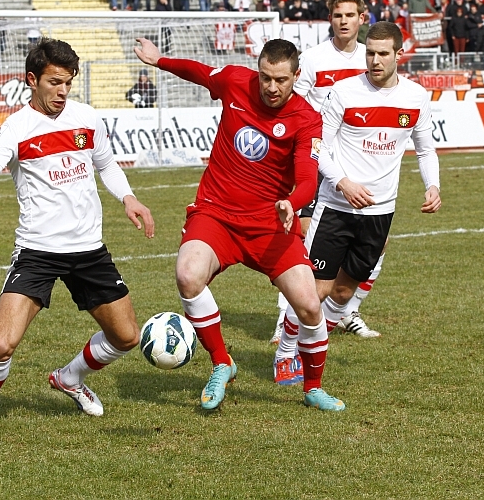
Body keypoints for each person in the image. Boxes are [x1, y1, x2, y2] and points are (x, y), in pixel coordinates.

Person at [0, 39, 155, 439]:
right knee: (2, 344)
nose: (62, 91)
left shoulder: (86, 118)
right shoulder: (16, 128)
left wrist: (128, 197)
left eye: (68, 83)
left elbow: (106, 165)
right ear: (32, 80)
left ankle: (70, 377)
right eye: (54, 82)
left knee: (126, 337)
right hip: (37, 252)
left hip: (89, 250)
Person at [131, 36, 345, 412]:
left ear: (296, 76)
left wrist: (291, 203)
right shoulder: (235, 81)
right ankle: (221, 363)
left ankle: (313, 388)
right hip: (216, 213)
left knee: (310, 306)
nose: (271, 87)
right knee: (188, 275)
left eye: (281, 80)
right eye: (265, 77)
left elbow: (307, 179)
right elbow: (199, 72)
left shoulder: (306, 119)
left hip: (269, 224)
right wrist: (159, 60)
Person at [273, 21, 441, 385]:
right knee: (314, 291)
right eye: (370, 54)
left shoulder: (415, 97)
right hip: (336, 207)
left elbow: (425, 149)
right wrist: (342, 183)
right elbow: (318, 147)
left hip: (380, 212)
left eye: (383, 54)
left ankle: (314, 345)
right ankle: (286, 352)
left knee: (344, 292)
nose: (375, 61)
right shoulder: (344, 92)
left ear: (399, 55)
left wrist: (433, 186)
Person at [270, 0, 384, 343]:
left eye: (350, 15)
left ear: (362, 18)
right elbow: (294, 103)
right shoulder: (314, 59)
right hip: (318, 163)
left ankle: (348, 310)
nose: (343, 21)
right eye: (337, 15)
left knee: (375, 244)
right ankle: (285, 319)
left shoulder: (371, 58)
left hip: (360, 164)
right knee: (304, 243)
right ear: (330, 19)